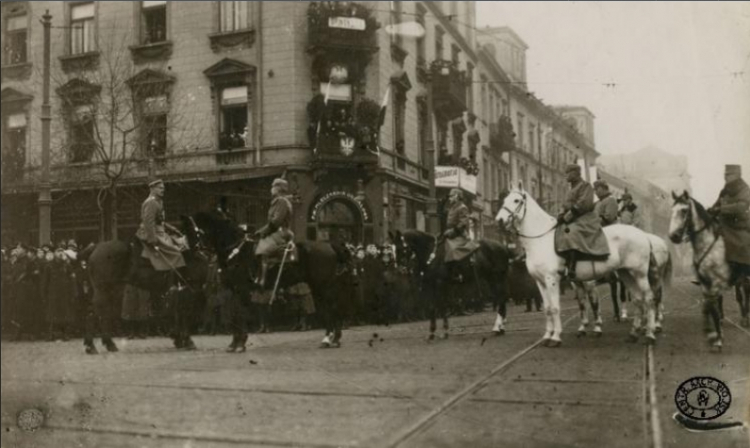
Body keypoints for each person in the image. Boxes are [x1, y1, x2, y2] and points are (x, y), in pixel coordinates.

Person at [555, 164, 610, 280]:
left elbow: (582, 204)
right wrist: (560, 214)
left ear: (576, 173)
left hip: (584, 218)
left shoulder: (585, 186)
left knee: (572, 232)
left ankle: (572, 267)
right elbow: (565, 204)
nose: (566, 176)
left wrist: (566, 217)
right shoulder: (571, 189)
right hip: (573, 217)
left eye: (568, 173)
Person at [133, 179, 187, 275]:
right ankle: (173, 280)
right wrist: (152, 239)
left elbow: (161, 221)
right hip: (151, 232)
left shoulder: (159, 201)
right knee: (176, 253)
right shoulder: (151, 202)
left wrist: (173, 229)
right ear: (152, 189)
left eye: (163, 188)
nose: (163, 190)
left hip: (159, 231)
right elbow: (149, 222)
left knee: (182, 244)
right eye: (160, 188)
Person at [708, 164, 750, 284]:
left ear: (737, 175)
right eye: (725, 174)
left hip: (739, 225)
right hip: (724, 224)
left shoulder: (745, 189)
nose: (725, 177)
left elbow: (742, 207)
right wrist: (710, 211)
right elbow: (717, 204)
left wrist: (722, 209)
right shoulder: (725, 190)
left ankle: (744, 272)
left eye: (729, 174)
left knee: (741, 244)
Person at [254, 178, 294, 288]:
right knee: (255, 243)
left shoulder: (282, 201)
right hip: (276, 230)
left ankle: (263, 280)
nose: (271, 189)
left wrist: (263, 232)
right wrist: (260, 231)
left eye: (273, 187)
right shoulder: (278, 201)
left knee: (263, 247)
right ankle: (258, 274)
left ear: (279, 189)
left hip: (282, 231)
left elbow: (276, 221)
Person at [443, 188, 480, 268]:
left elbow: (463, 223)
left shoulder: (462, 207)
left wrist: (452, 231)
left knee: (453, 250)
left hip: (459, 234)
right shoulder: (452, 207)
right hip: (450, 234)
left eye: (451, 196)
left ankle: (458, 270)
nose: (449, 199)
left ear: (456, 196)